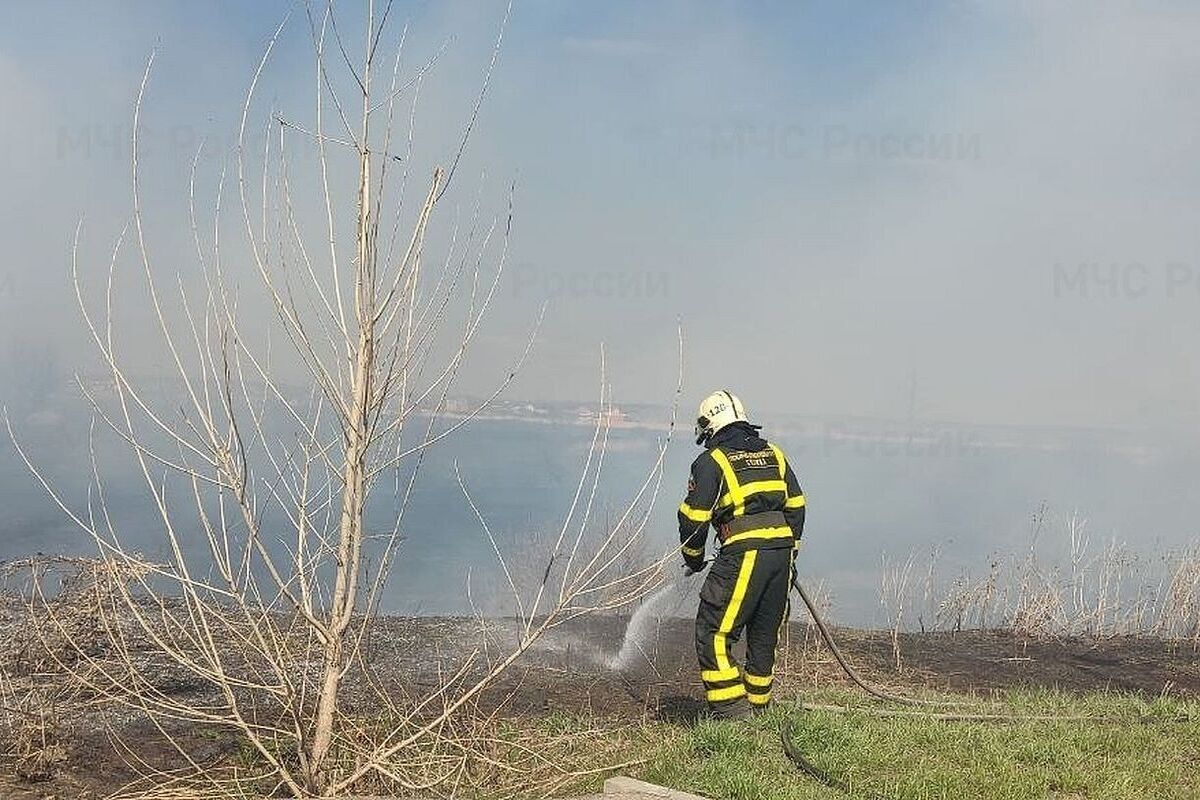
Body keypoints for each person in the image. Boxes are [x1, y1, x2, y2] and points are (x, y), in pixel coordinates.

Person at [677, 391, 805, 719]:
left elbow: (693, 518)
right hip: (781, 555)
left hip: (744, 555)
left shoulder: (711, 461)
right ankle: (759, 711)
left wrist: (693, 558)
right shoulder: (774, 453)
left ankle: (731, 713)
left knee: (714, 632)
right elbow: (796, 507)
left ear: (710, 427)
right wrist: (789, 553)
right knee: (763, 637)